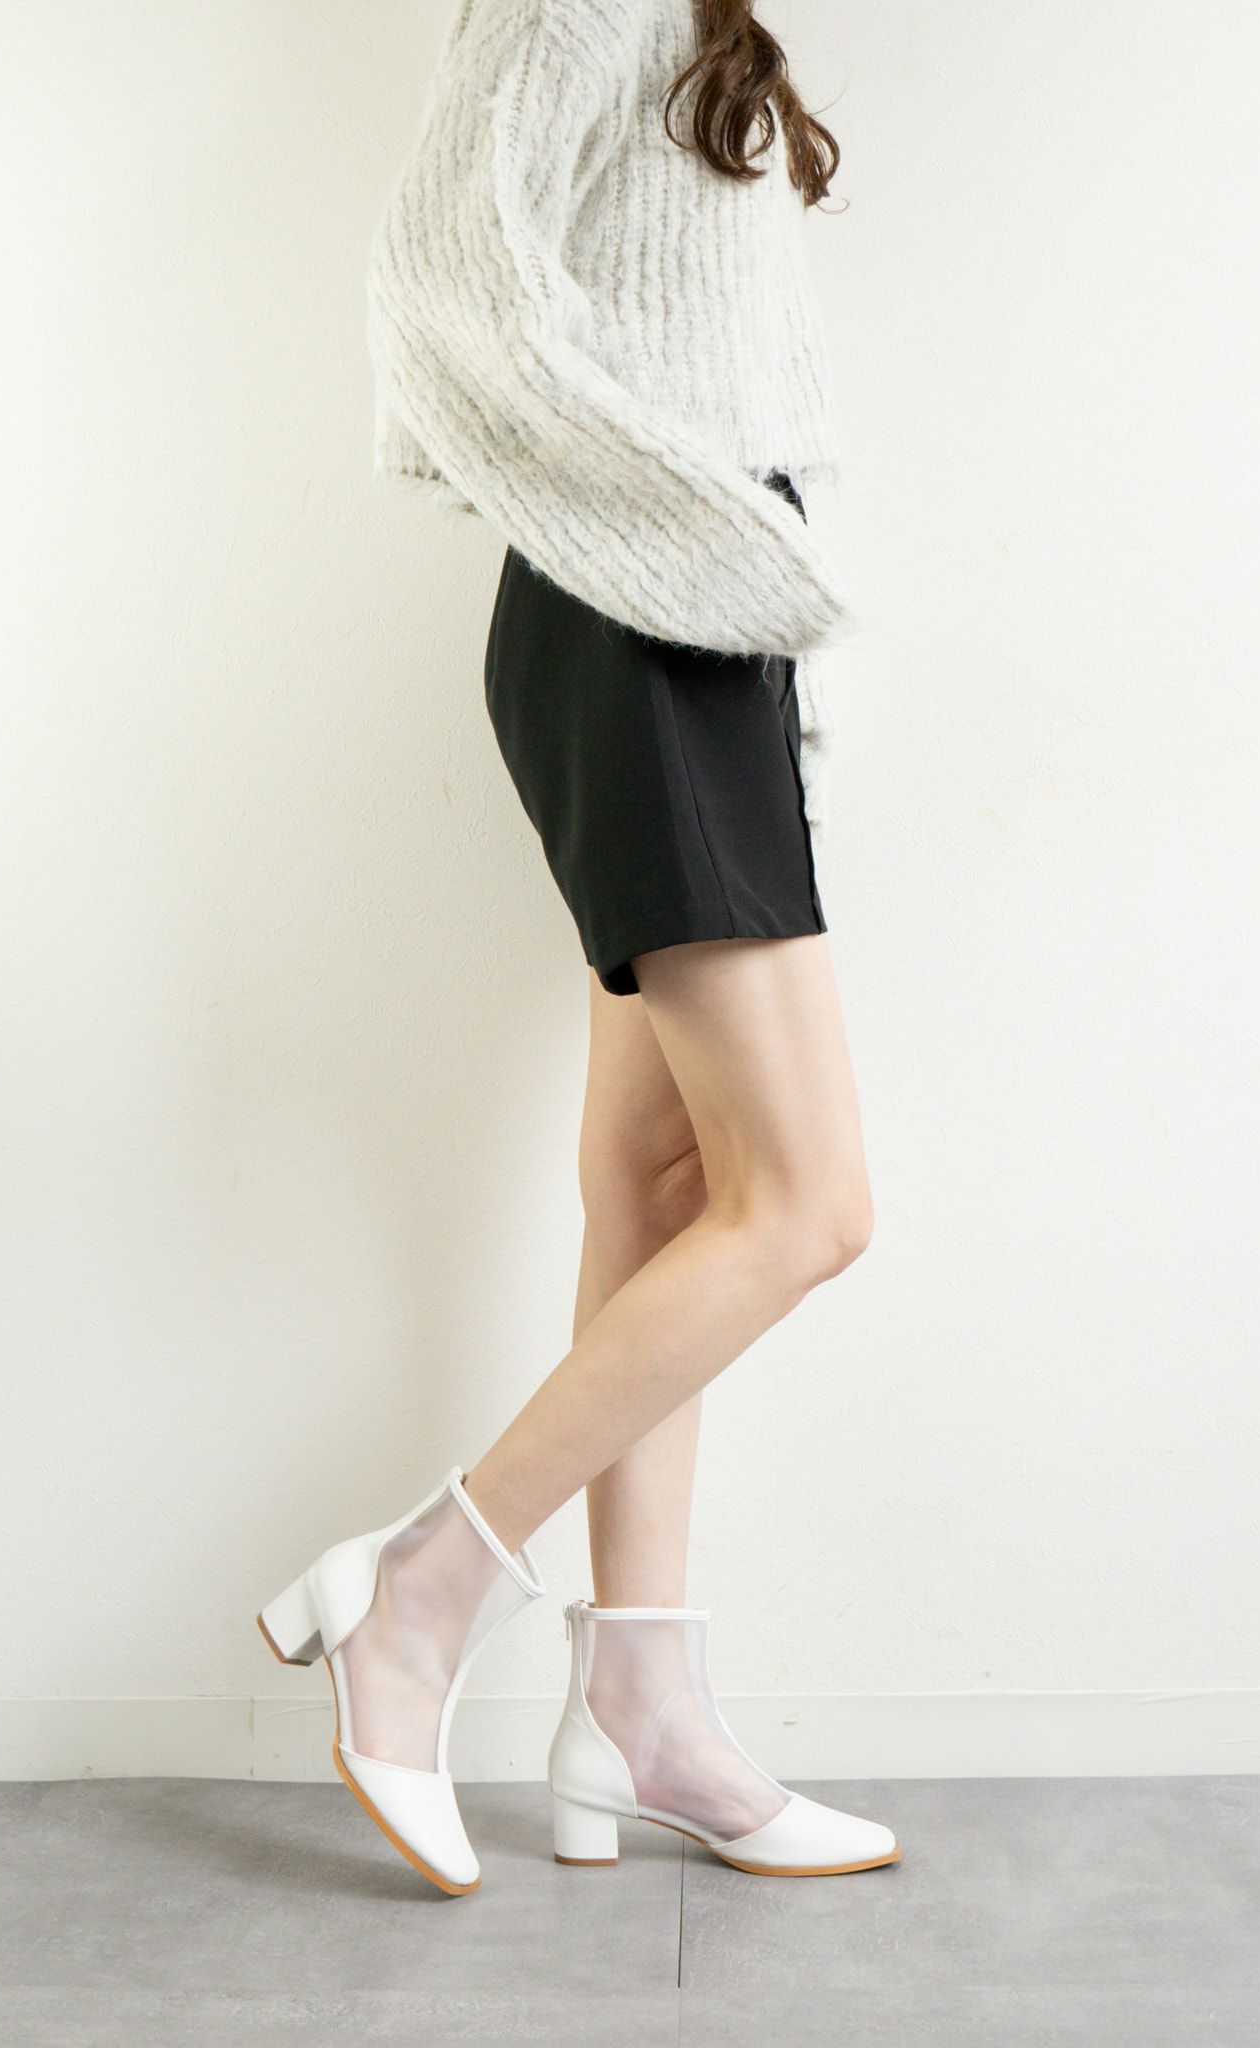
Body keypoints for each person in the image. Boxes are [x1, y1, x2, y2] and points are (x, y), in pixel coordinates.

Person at [255, 0, 898, 1894]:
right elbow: (441, 282)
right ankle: (421, 1590)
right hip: (642, 627)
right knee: (809, 1205)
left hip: (689, 630)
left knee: (668, 1187)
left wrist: (756, 605)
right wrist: (712, 549)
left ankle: (645, 1713)